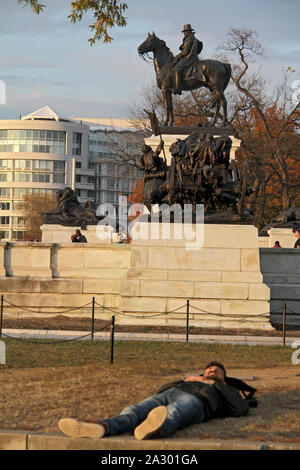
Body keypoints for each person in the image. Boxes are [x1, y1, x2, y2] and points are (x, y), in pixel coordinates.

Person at [58, 361, 256, 440]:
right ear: (201, 372)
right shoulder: (188, 379)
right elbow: (161, 389)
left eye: (217, 371)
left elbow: (240, 408)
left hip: (196, 401)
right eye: (209, 370)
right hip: (170, 393)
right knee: (133, 410)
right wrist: (186, 380)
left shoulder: (226, 388)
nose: (212, 371)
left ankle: (155, 429)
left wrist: (214, 384)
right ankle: (102, 426)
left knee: (174, 414)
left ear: (224, 376)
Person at [172, 24, 203, 95]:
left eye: (185, 31)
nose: (184, 33)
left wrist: (177, 57)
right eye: (184, 32)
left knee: (177, 68)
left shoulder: (189, 38)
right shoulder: (193, 38)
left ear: (188, 31)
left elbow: (185, 51)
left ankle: (178, 88)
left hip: (189, 57)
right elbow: (200, 45)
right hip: (193, 56)